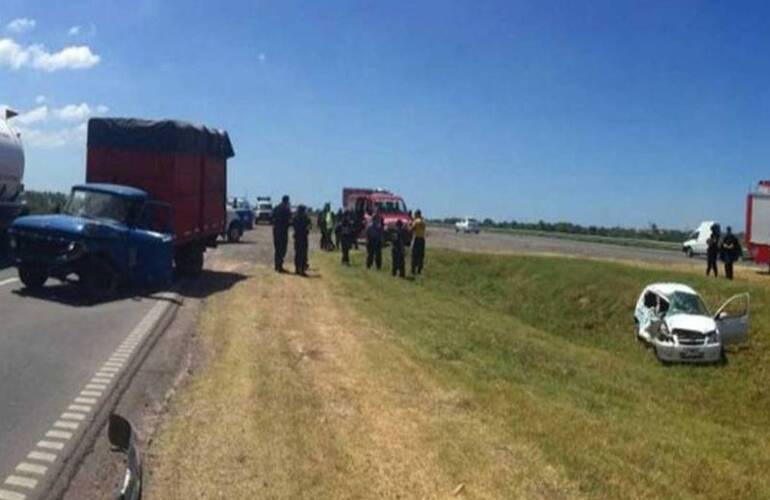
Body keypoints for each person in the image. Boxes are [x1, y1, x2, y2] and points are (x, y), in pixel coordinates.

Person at [272, 195, 292, 272]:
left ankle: (277, 266)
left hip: (276, 230)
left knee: (277, 248)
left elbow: (272, 218)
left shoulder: (276, 208)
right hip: (283, 231)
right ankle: (279, 266)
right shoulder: (286, 209)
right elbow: (290, 220)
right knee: (282, 249)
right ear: (286, 201)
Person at [293, 205, 311, 275]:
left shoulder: (295, 217)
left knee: (297, 253)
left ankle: (297, 269)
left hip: (297, 237)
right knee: (303, 253)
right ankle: (302, 270)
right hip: (303, 237)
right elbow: (309, 225)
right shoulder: (305, 217)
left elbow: (293, 224)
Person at [410, 209, 426, 275]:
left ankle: (413, 270)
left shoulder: (416, 221)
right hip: (422, 239)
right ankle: (419, 270)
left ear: (417, 214)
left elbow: (412, 229)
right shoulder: (423, 221)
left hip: (417, 239)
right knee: (421, 256)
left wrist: (409, 226)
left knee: (414, 255)